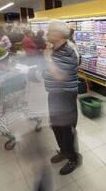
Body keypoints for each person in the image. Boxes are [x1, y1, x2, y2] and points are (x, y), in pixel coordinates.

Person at [43, 20, 81, 175]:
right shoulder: (54, 50)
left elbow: (59, 76)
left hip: (66, 95)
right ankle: (64, 151)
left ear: (58, 34)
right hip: (54, 94)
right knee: (56, 125)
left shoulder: (70, 51)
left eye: (50, 31)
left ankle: (74, 158)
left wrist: (47, 59)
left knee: (67, 128)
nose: (47, 33)